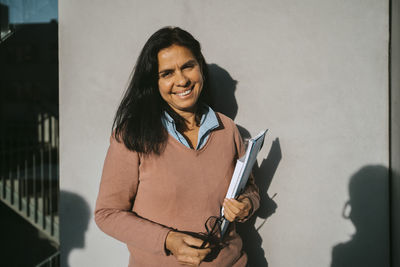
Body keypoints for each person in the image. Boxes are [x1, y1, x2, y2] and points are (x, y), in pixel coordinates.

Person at [94, 26, 260, 267]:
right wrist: (168, 240)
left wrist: (247, 205)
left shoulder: (228, 129)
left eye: (188, 67)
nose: (181, 80)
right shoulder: (132, 137)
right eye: (167, 73)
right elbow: (107, 214)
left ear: (200, 68)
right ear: (155, 81)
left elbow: (250, 188)